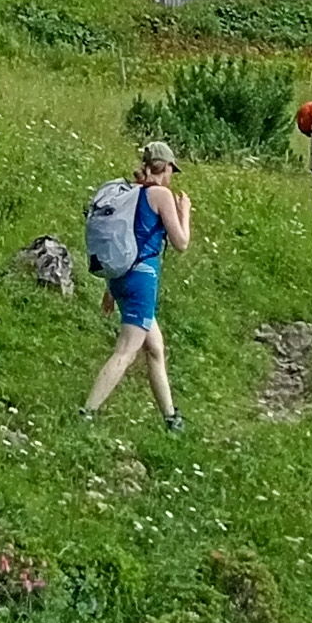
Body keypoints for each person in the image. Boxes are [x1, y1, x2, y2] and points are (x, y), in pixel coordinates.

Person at [80, 141, 192, 432]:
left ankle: (171, 418)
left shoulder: (130, 193)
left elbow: (124, 240)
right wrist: (185, 212)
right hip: (142, 280)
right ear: (165, 167)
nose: (171, 176)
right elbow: (181, 243)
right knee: (126, 351)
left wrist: (110, 289)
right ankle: (87, 413)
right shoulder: (161, 195)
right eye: (171, 170)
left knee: (155, 347)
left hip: (121, 278)